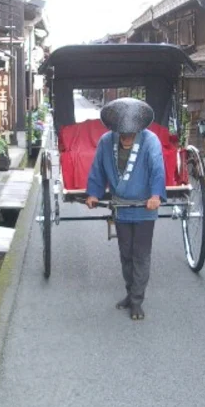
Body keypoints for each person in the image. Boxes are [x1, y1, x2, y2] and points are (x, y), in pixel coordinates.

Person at [85, 98, 166, 321]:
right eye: (123, 133)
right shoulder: (105, 141)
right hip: (120, 206)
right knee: (126, 253)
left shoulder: (151, 141)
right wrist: (93, 193)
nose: (126, 137)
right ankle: (130, 294)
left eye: (130, 133)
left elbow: (157, 168)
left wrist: (155, 195)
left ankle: (137, 300)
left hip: (144, 207)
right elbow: (98, 169)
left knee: (140, 255)